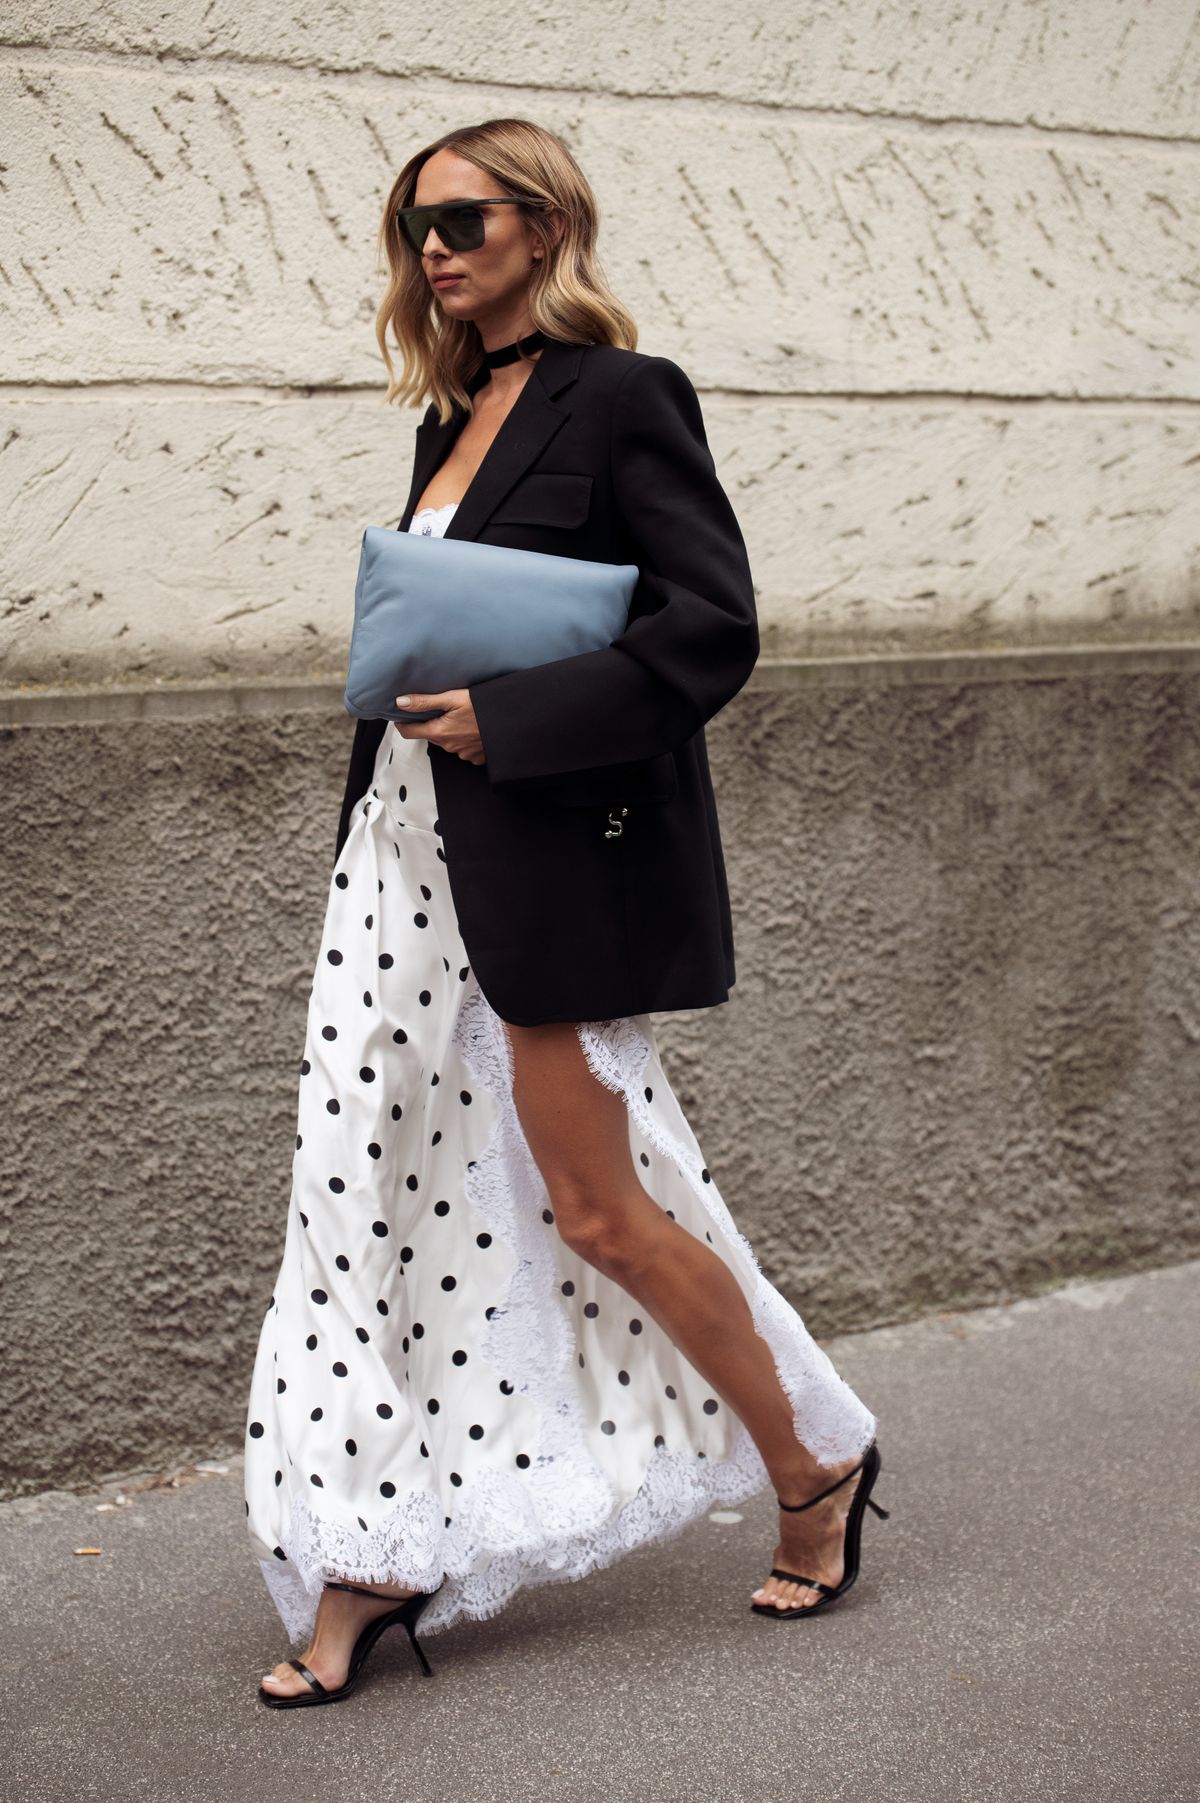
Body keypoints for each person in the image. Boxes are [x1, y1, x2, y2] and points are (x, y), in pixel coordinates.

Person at [247, 116, 888, 1710]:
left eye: (463, 219)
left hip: (540, 856)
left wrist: (511, 720)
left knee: (599, 1211)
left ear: (544, 223)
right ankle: (377, 1546)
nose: (435, 250)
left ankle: (815, 1460)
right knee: (361, 1192)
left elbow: (709, 626)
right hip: (403, 858)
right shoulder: (453, 409)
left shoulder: (624, 395)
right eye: (415, 228)